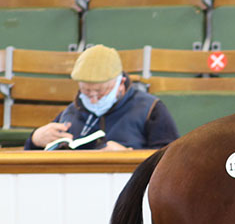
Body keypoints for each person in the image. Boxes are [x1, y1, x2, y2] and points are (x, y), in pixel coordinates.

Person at [26, 44, 180, 151]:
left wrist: (130, 156)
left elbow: (169, 158)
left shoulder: (150, 108)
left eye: (101, 93)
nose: (93, 100)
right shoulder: (71, 112)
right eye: (86, 92)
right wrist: (35, 139)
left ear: (121, 83)